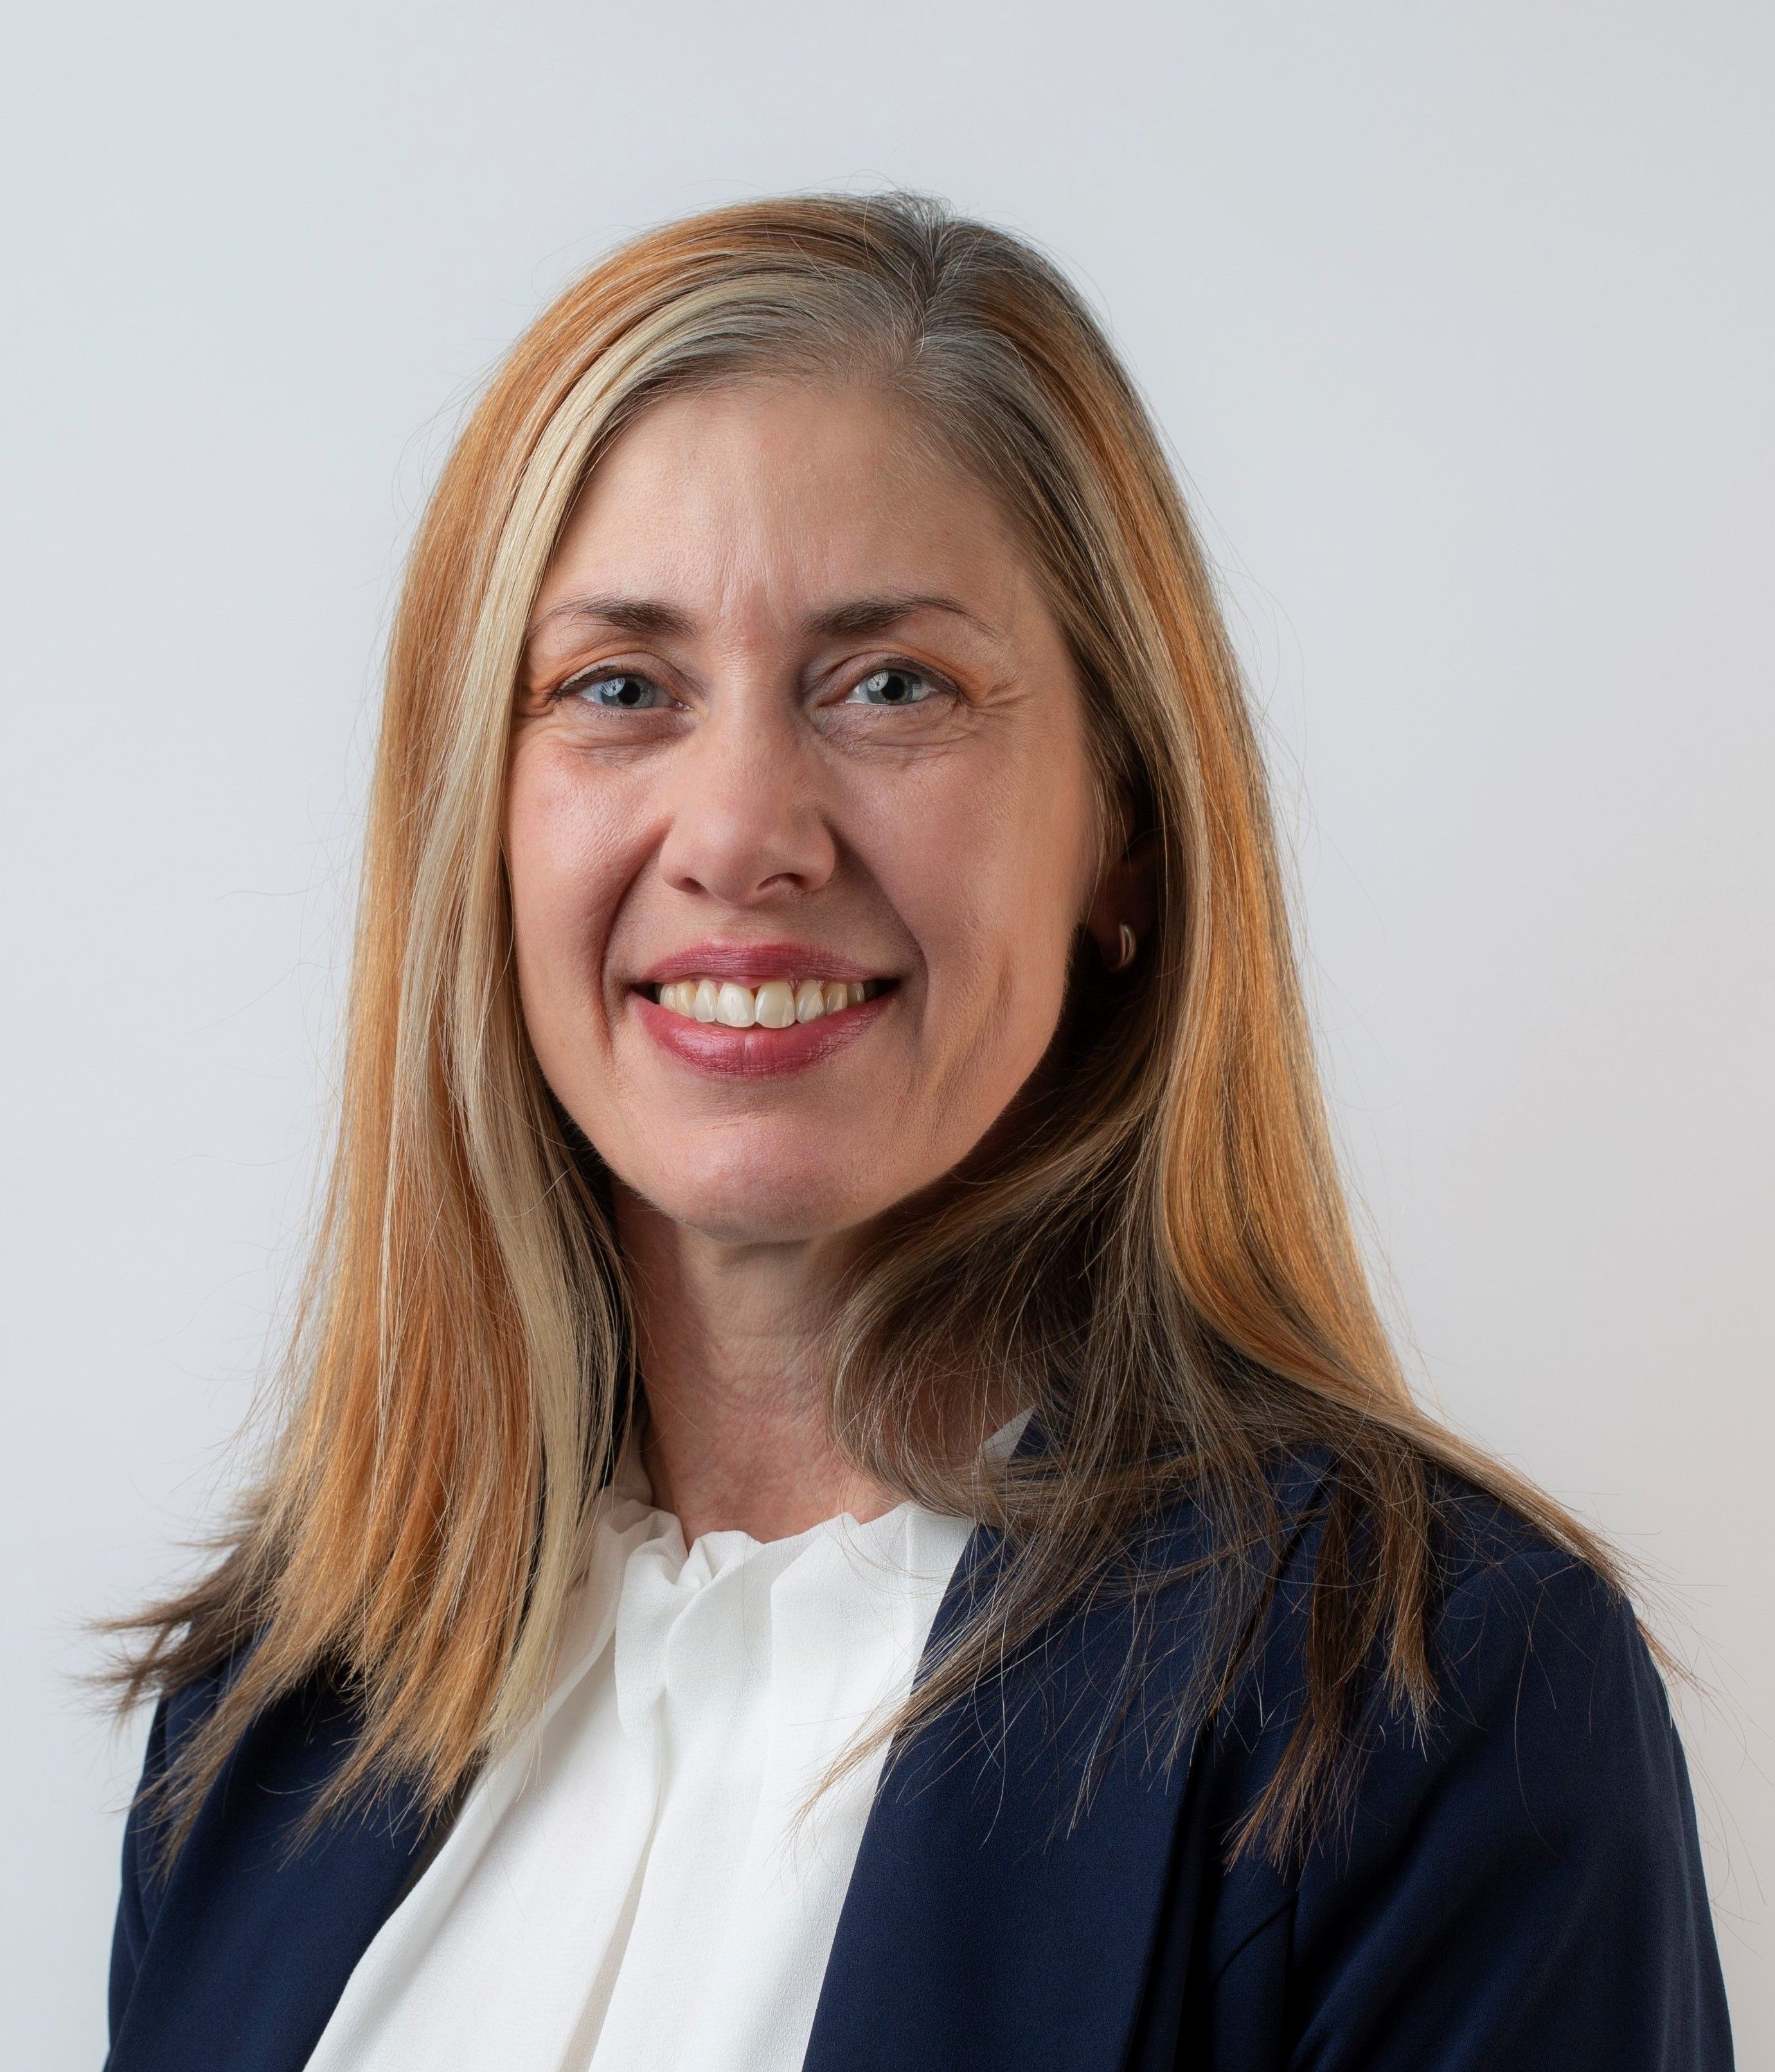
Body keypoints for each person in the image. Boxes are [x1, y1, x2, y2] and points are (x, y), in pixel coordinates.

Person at [101, 193, 1733, 2072]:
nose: (741, 830)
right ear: (477, 821)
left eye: (892, 686)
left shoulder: (1429, 1704)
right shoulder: (271, 1713)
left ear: (1121, 824)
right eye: (616, 688)